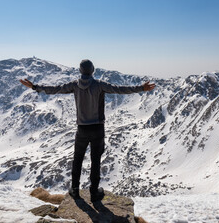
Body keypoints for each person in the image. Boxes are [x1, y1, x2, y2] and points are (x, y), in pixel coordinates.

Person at [20, 59, 155, 202]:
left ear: (80, 71)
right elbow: (120, 89)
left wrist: (35, 87)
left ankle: (75, 190)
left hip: (82, 129)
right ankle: (94, 192)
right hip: (98, 128)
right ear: (93, 70)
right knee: (95, 161)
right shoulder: (99, 85)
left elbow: (55, 89)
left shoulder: (74, 85)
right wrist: (141, 88)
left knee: (77, 159)